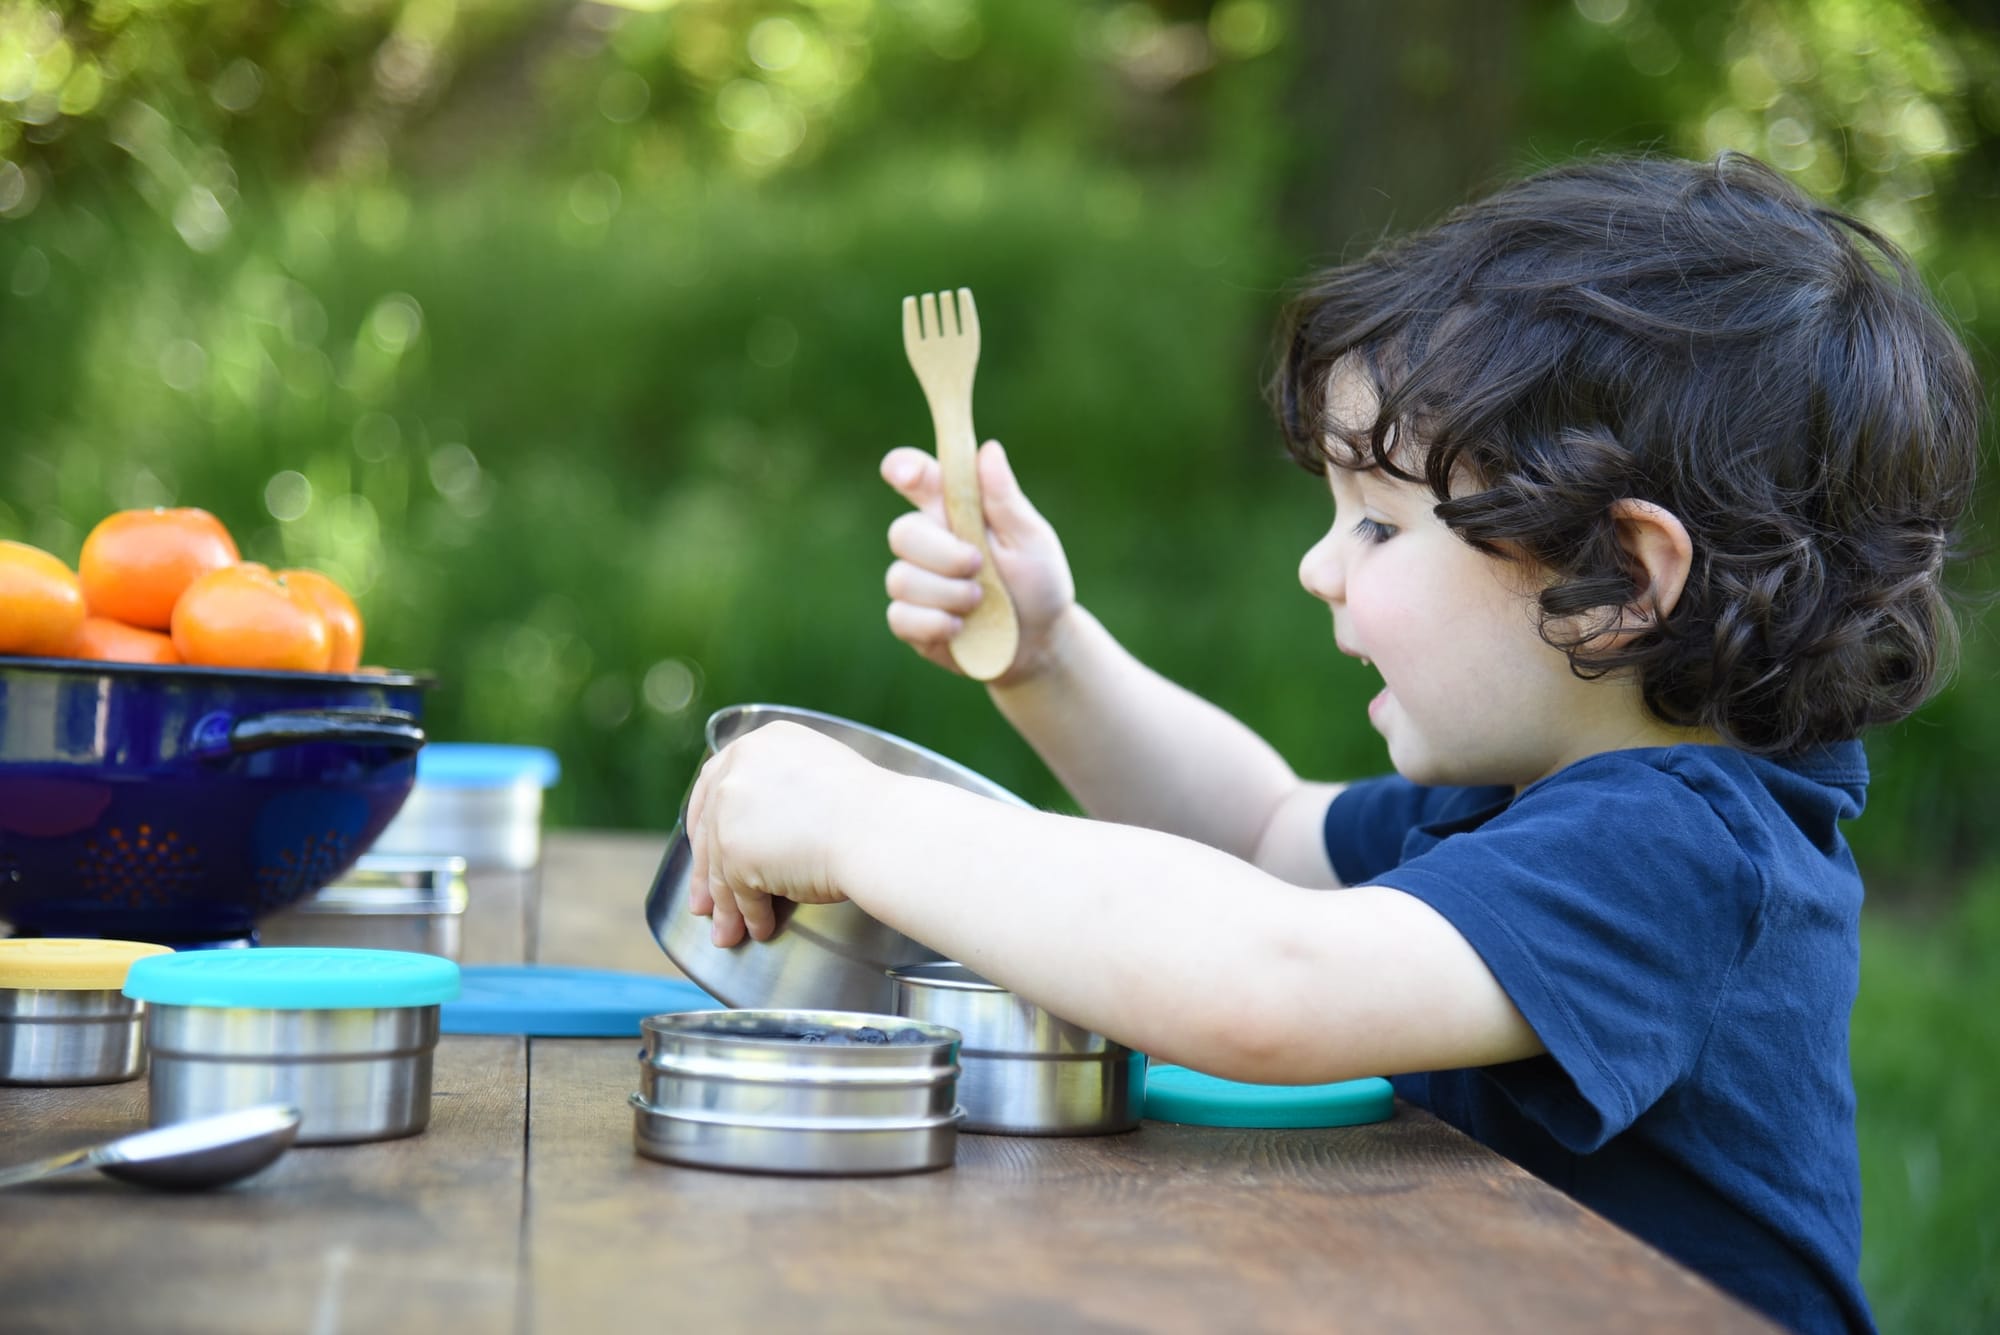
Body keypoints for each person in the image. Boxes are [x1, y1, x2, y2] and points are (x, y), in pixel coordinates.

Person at [683, 152, 1983, 1334]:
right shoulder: (1531, 800)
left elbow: (1265, 984)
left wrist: (865, 822)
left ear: (1620, 582)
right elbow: (1255, 831)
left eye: (1377, 524)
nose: (1319, 566)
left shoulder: (1684, 854)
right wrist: (1051, 655)